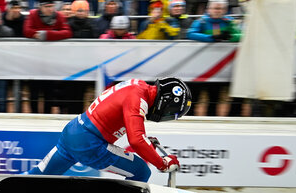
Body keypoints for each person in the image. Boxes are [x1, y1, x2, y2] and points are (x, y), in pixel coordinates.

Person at [27, 78, 191, 182]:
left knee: (35, 178)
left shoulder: (138, 86)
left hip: (73, 131)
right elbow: (136, 140)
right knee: (141, 171)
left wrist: (147, 145)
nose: (167, 116)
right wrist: (162, 164)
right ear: (165, 102)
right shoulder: (138, 100)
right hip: (90, 143)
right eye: (171, 113)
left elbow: (128, 127)